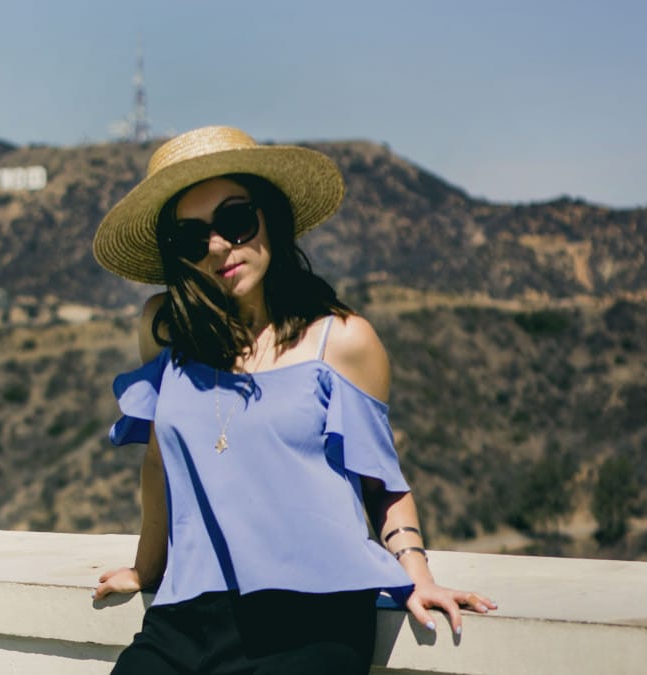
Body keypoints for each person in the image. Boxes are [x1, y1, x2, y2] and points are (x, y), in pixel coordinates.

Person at [92, 126, 496, 674]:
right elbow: (159, 464)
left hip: (310, 622)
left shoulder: (344, 342)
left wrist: (417, 575)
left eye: (235, 221)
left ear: (271, 221)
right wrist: (146, 570)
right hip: (185, 621)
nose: (217, 247)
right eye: (192, 239)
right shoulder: (166, 331)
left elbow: (382, 482)